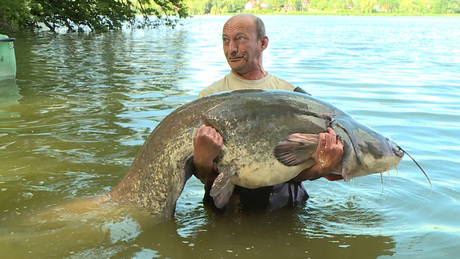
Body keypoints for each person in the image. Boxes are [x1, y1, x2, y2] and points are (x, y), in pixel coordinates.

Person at [193, 14, 343, 213]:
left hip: (285, 203)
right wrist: (202, 160)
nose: (232, 49)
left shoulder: (293, 95)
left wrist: (321, 167)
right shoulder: (209, 98)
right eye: (225, 40)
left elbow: (298, 173)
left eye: (240, 38)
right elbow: (204, 176)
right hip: (230, 206)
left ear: (263, 43)